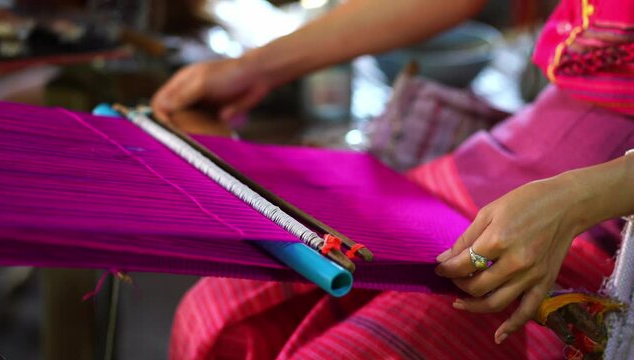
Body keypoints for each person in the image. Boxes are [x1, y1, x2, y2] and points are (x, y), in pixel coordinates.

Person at [152, 0, 634, 358]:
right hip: (509, 162)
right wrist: (254, 67)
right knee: (219, 313)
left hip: (604, 220)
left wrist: (578, 199)